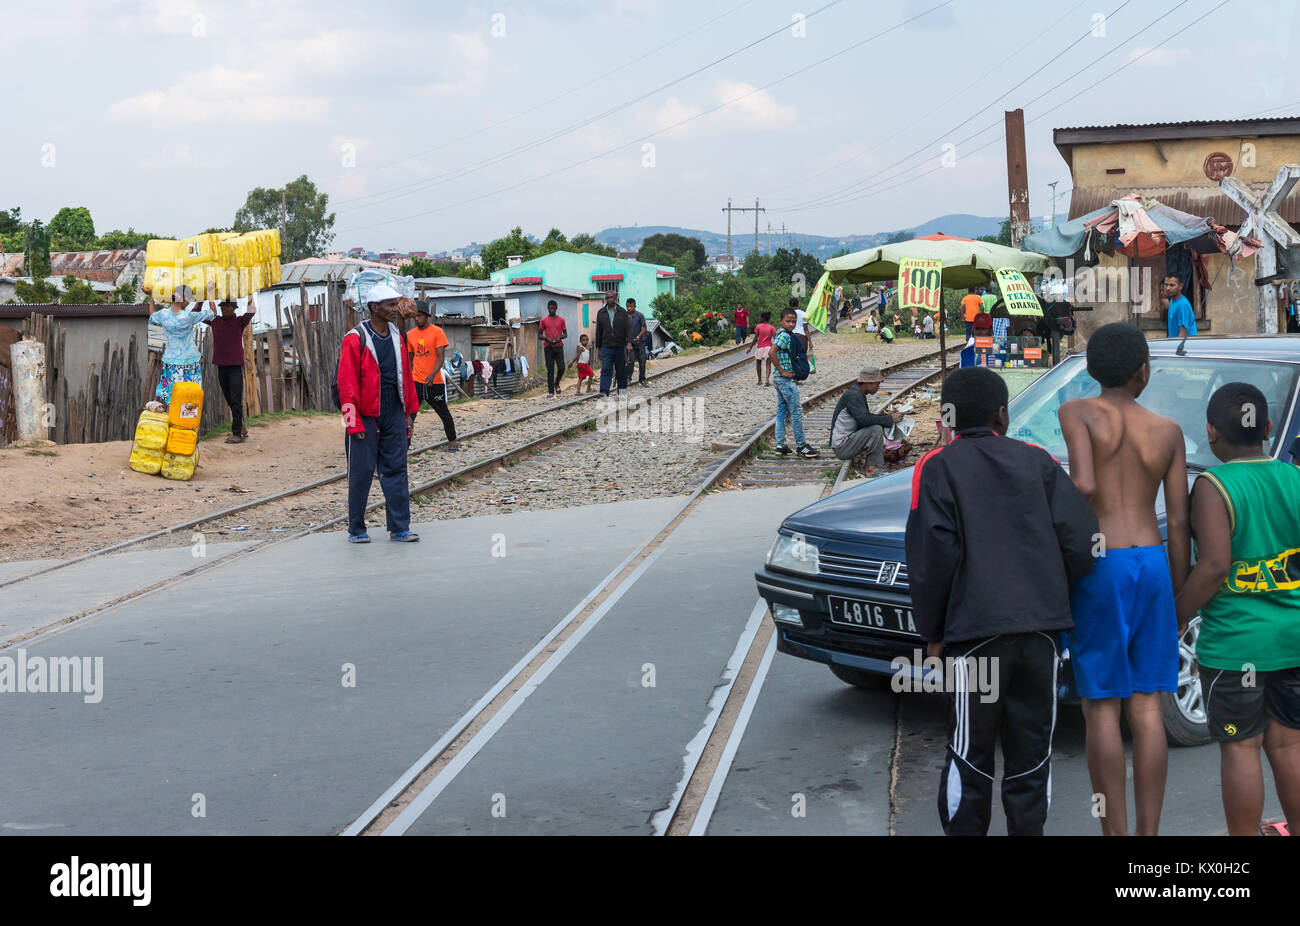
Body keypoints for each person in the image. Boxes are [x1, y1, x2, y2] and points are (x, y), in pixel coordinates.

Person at [906, 367, 1097, 836]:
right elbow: (1084, 540)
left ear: (946, 419)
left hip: (975, 637)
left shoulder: (936, 466)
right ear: (1003, 414)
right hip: (1041, 635)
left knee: (970, 756)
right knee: (1032, 757)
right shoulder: (1037, 460)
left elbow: (933, 556)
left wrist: (932, 633)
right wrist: (1050, 591)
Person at [1058, 322, 1190, 836]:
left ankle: (1112, 833)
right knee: (1149, 709)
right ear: (1144, 372)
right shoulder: (1168, 431)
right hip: (1152, 563)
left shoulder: (1077, 413)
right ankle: (1146, 837)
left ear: (1091, 370)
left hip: (1102, 561)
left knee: (1101, 710)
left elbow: (1085, 484)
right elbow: (1178, 522)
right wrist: (1178, 595)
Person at [1173, 382, 1300, 836]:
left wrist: (1178, 614)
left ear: (1211, 432)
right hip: (1293, 640)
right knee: (1288, 745)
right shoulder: (1294, 477)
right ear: (1267, 428)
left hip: (1236, 646)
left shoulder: (1213, 485)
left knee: (1241, 748)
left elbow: (1213, 567)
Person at [336, 283, 420, 544]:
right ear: (374, 308)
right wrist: (353, 423)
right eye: (391, 305)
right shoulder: (355, 338)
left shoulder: (397, 336)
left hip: (393, 410)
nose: (396, 309)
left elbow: (405, 377)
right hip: (365, 413)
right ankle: (357, 529)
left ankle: (399, 527)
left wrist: (409, 415)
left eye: (396, 304)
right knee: (360, 473)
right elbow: (346, 384)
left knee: (396, 468)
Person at [405, 301, 459, 451]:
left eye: (419, 316)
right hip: (416, 381)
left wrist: (432, 374)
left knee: (443, 412)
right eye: (415, 317)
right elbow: (410, 358)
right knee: (410, 416)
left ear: (427, 316)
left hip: (434, 382)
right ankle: (405, 448)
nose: (416, 319)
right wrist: (409, 376)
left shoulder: (437, 332)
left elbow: (440, 357)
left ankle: (452, 441)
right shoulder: (410, 335)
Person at [149, 284, 215, 406]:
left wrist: (151, 296)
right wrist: (210, 292)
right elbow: (213, 313)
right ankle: (188, 423)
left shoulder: (163, 314)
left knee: (173, 397)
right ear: (184, 300)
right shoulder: (188, 317)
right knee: (190, 398)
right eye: (188, 301)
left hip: (171, 364)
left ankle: (174, 421)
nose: (189, 304)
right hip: (190, 363)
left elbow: (152, 316)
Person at [830, 367, 903, 477]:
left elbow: (865, 419)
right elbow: (864, 420)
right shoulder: (854, 395)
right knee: (876, 429)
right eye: (876, 384)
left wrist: (886, 419)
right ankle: (872, 469)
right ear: (868, 382)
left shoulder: (856, 392)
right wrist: (889, 419)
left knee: (876, 426)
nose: (878, 387)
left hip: (846, 442)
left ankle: (872, 465)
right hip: (842, 447)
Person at [772, 307, 819, 458]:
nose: (791, 324)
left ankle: (781, 444)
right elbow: (771, 352)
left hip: (779, 379)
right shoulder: (784, 336)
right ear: (781, 321)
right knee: (796, 411)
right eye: (788, 321)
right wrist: (781, 370)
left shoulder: (782, 334)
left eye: (793, 321)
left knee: (781, 410)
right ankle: (801, 446)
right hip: (785, 379)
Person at [208, 297, 254, 443]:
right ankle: (241, 426)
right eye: (222, 306)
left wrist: (250, 295)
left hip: (234, 367)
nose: (223, 308)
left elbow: (252, 311)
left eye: (227, 306)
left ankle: (236, 434)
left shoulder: (239, 321)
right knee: (229, 399)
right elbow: (196, 313)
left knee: (235, 400)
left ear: (234, 308)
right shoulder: (216, 321)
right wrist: (201, 300)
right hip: (221, 366)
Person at [593, 290, 629, 396]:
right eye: (607, 298)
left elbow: (628, 328)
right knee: (606, 369)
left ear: (616, 298)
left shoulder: (622, 312)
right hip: (606, 346)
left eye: (611, 297)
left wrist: (629, 343)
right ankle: (604, 391)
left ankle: (622, 391)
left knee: (621, 370)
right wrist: (598, 347)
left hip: (620, 345)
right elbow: (598, 331)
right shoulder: (601, 313)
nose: (609, 299)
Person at [538, 299, 568, 397]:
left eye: (553, 309)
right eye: (550, 308)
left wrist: (559, 338)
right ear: (547, 308)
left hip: (559, 347)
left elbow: (565, 334)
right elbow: (539, 335)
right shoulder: (543, 321)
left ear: (556, 309)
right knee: (550, 370)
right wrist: (547, 339)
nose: (552, 310)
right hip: (548, 348)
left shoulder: (561, 320)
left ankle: (557, 383)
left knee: (562, 367)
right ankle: (551, 391)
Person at [745, 311, 777, 385]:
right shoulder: (772, 327)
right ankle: (767, 380)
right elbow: (776, 338)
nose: (759, 318)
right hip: (769, 347)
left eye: (760, 317)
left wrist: (750, 347)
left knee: (758, 364)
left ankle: (759, 380)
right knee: (768, 364)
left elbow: (755, 339)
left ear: (763, 318)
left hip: (760, 348)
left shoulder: (758, 326)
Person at [1162, 274, 1198, 338]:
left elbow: (1183, 332)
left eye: (1172, 285)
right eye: (1166, 285)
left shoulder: (1182, 305)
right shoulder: (1172, 301)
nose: (1168, 288)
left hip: (1184, 345)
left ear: (1180, 286)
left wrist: (1176, 347)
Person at [625, 298, 649, 386]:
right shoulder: (624, 316)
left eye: (631, 307)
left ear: (635, 306)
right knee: (630, 362)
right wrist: (628, 342)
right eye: (628, 306)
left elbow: (644, 328)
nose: (629, 308)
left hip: (640, 342)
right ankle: (628, 378)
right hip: (629, 343)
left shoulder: (640, 315)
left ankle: (642, 379)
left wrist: (639, 336)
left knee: (642, 362)